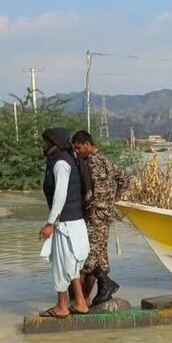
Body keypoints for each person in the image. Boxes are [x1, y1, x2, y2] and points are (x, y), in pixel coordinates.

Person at [38, 128, 91, 318]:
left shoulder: (60, 163)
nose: (42, 145)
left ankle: (62, 306)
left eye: (44, 142)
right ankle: (81, 302)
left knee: (61, 265)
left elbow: (60, 195)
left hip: (65, 223)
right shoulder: (71, 158)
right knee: (72, 265)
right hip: (76, 220)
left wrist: (50, 223)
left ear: (53, 143)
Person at [71, 130, 128, 306]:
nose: (77, 151)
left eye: (79, 148)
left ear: (87, 144)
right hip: (106, 214)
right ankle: (104, 292)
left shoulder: (90, 163)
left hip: (95, 215)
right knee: (100, 253)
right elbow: (124, 178)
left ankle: (106, 284)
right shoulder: (106, 161)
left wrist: (93, 207)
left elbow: (90, 190)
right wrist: (115, 198)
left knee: (86, 254)